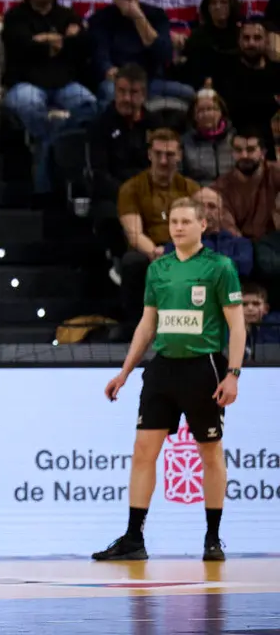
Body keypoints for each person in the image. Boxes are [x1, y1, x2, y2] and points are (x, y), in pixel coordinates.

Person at [96, 196, 244, 563]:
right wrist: (125, 372)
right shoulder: (158, 269)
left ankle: (213, 538)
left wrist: (233, 374)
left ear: (202, 225)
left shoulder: (220, 267)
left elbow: (237, 325)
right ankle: (133, 538)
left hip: (203, 368)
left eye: (185, 221)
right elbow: (147, 324)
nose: (177, 227)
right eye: (173, 221)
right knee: (143, 452)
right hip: (162, 369)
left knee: (210, 452)